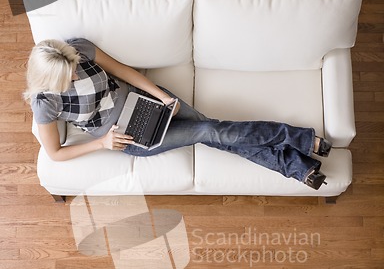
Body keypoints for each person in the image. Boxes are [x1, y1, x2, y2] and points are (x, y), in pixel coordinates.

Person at [24, 38, 332, 190]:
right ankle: (302, 141)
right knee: (210, 131)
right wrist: (102, 143)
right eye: (70, 76)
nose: (77, 73)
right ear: (50, 80)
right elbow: (54, 153)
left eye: (75, 66)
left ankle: (300, 168)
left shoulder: (78, 48)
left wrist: (161, 96)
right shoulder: (45, 103)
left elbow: (124, 72)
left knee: (216, 132)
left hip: (145, 100)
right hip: (127, 135)